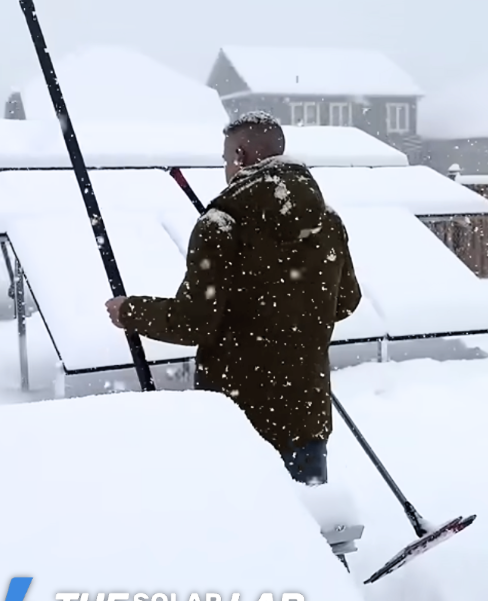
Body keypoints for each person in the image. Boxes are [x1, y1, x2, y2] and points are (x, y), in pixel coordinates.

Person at [105, 111, 361, 485]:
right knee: (306, 529)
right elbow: (346, 300)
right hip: (306, 411)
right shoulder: (327, 221)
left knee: (248, 532)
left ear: (240, 156)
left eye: (226, 158)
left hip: (238, 416)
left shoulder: (221, 224)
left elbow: (192, 321)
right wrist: (291, 319)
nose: (226, 167)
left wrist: (130, 311)